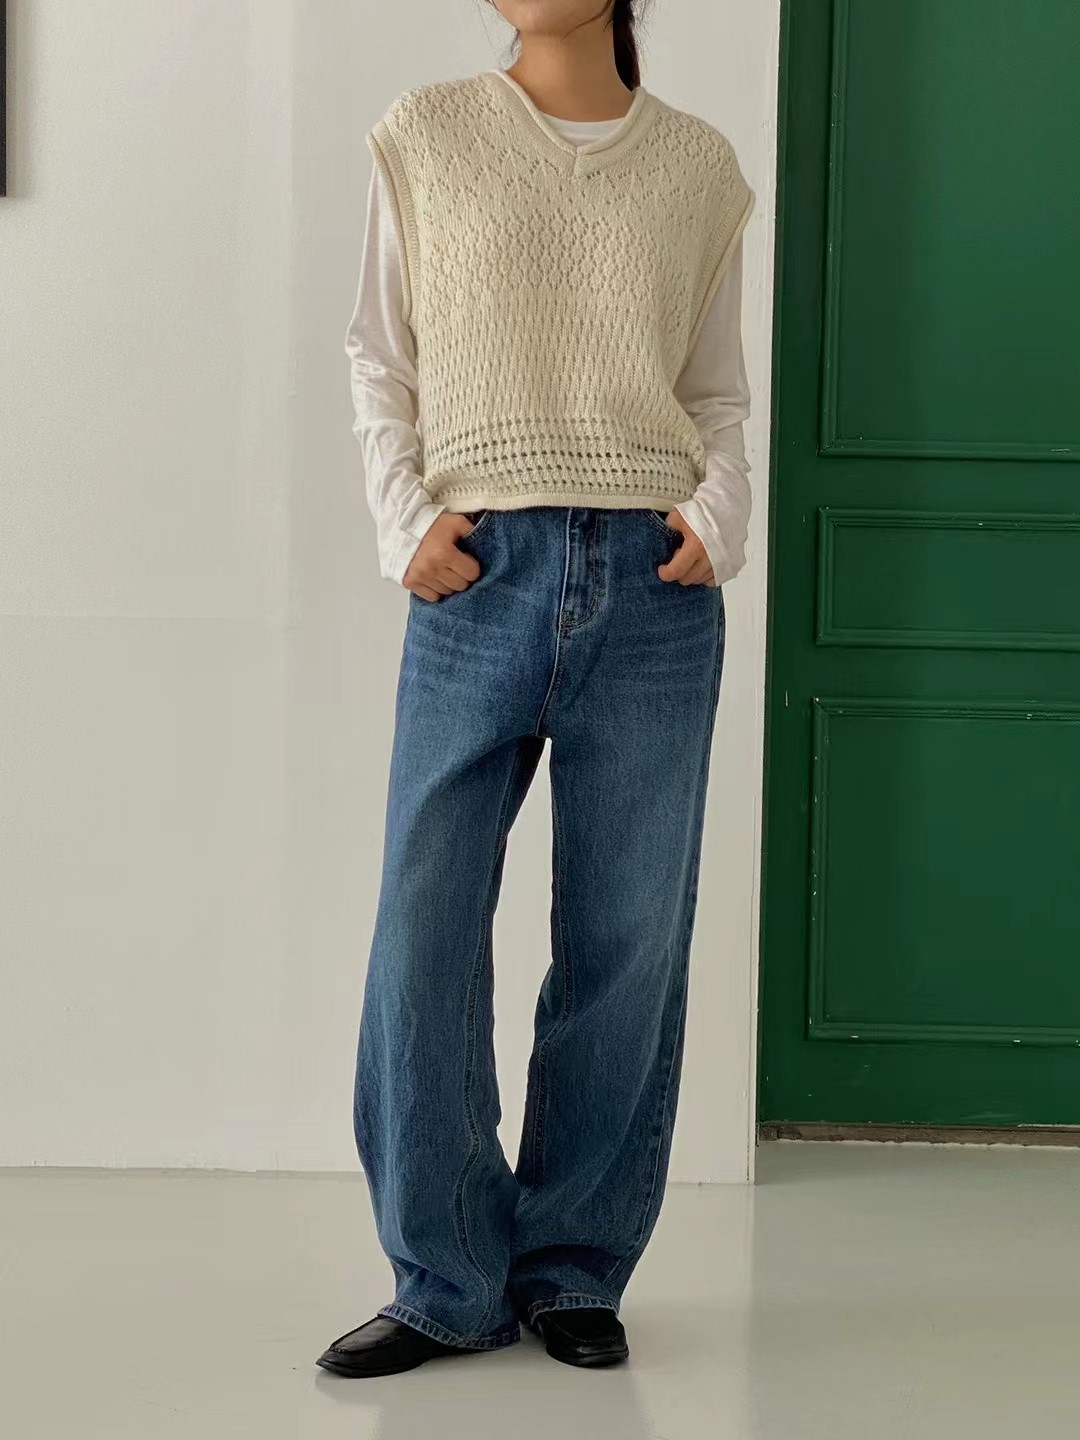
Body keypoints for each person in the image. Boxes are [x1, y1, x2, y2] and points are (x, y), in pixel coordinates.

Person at [317, 0, 754, 1378]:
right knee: (425, 925)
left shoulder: (697, 166)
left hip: (655, 580)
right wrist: (404, 523)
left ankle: (572, 1269)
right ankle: (444, 1279)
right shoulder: (429, 136)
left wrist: (720, 517)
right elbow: (380, 352)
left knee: (627, 938)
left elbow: (717, 391)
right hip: (477, 571)